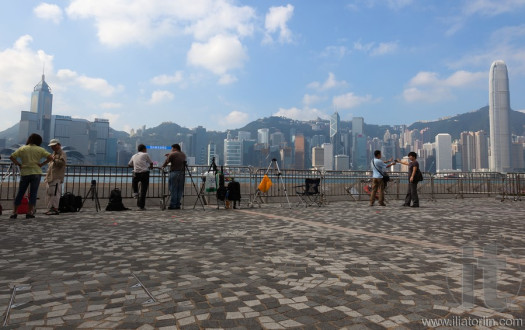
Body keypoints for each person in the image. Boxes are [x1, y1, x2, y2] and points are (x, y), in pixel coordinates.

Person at [9, 133, 53, 219]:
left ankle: (15, 212)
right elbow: (51, 157)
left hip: (25, 172)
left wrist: (19, 164)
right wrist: (42, 164)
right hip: (36, 172)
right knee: (33, 193)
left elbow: (12, 157)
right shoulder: (40, 149)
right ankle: (29, 212)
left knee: (20, 193)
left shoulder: (22, 148)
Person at [44, 139, 67, 215]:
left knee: (55, 193)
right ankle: (50, 208)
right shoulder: (54, 153)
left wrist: (54, 159)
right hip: (50, 177)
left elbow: (61, 163)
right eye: (51, 146)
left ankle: (54, 208)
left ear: (58, 145)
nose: (52, 147)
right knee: (50, 193)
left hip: (56, 177)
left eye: (54, 145)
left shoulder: (62, 153)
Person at [128, 144, 153, 211]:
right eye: (146, 149)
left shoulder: (134, 155)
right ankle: (141, 206)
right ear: (144, 149)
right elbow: (151, 163)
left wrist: (135, 166)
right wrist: (151, 167)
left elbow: (129, 164)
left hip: (136, 173)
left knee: (134, 182)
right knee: (143, 191)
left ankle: (135, 192)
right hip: (145, 173)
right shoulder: (145, 154)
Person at [162, 144, 186, 210]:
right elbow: (177, 157)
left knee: (173, 189)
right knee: (180, 189)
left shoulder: (172, 154)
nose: (171, 150)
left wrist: (162, 167)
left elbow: (167, 161)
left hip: (174, 172)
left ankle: (173, 205)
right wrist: (170, 154)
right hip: (182, 173)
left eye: (172, 148)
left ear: (175, 148)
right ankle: (178, 204)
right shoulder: (183, 154)